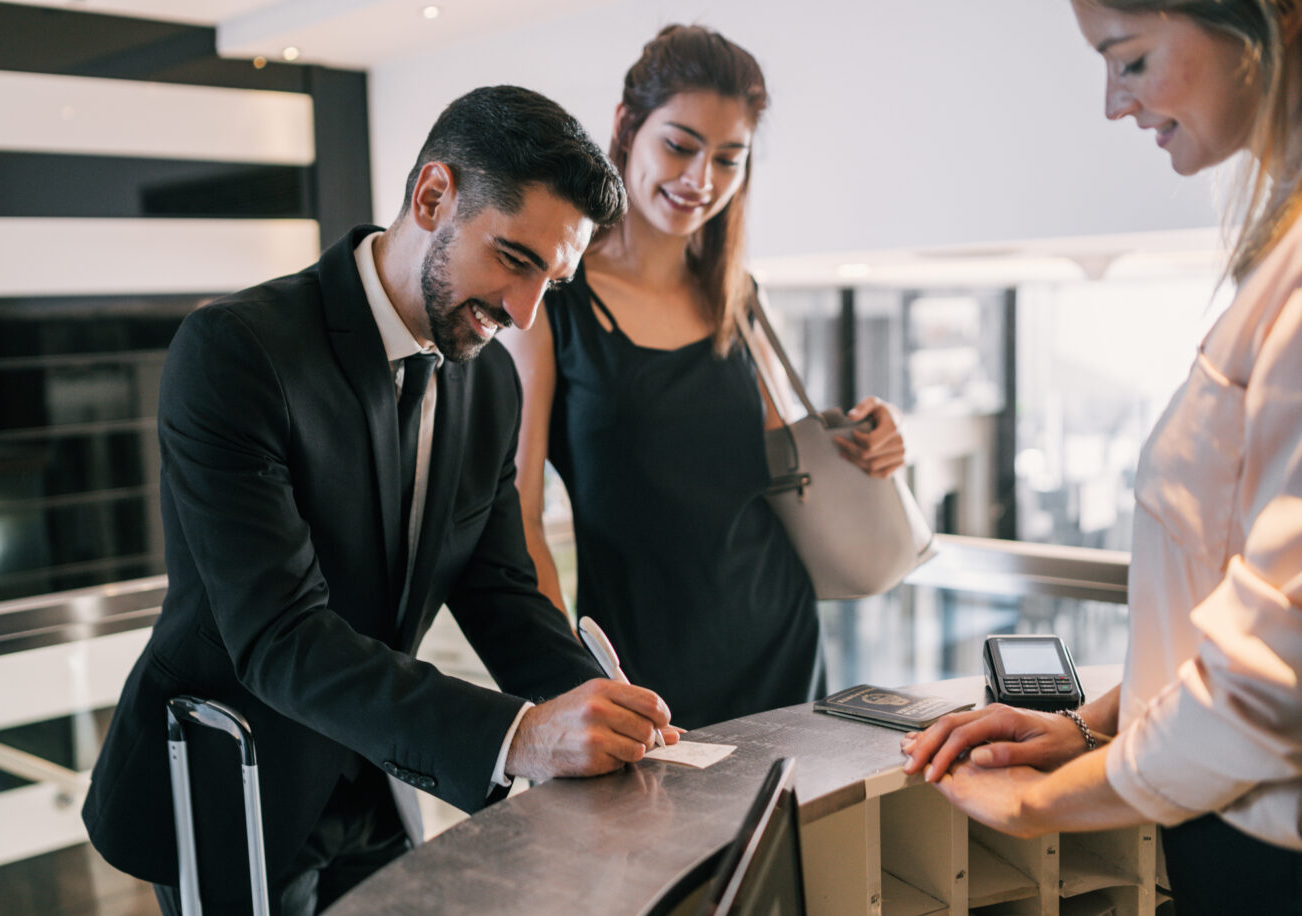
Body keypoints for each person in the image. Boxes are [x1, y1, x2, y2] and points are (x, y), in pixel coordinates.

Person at [82, 85, 680, 916]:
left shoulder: (490, 384)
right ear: (433, 196)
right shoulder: (236, 355)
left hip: (386, 773)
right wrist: (518, 737)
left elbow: (499, 589)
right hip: (237, 783)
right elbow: (280, 638)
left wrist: (597, 710)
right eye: (514, 259)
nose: (523, 312)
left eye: (553, 278)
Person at [899, 2, 1302, 911]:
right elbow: (1226, 610)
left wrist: (1043, 802)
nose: (1113, 104)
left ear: (1268, 21)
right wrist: (1084, 727)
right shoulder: (1274, 261)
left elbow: (1275, 675)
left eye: (1129, 60)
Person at [504, 25, 906, 730]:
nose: (701, 181)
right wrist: (568, 676)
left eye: (729, 158)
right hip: (638, 672)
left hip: (779, 646)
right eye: (681, 145)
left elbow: (782, 464)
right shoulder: (553, 301)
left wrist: (873, 441)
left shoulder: (737, 297)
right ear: (628, 129)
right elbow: (522, 512)